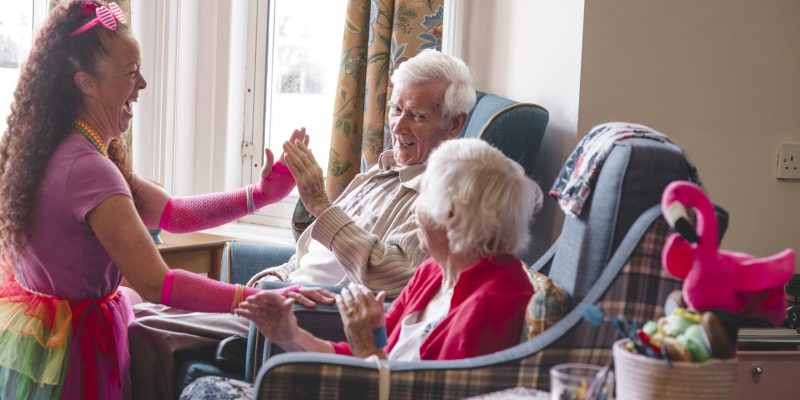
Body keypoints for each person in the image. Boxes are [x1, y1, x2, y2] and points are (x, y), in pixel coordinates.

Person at [0, 2, 332, 399]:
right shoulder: (88, 169)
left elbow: (172, 214)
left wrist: (259, 196)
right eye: (130, 73)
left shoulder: (54, 148)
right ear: (85, 82)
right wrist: (258, 297)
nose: (142, 84)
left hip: (42, 331)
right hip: (77, 347)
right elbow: (157, 283)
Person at [128, 48, 476, 398]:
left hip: (305, 313)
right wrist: (273, 277)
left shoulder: (441, 196)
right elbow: (308, 255)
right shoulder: (378, 174)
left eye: (416, 115)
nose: (398, 126)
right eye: (396, 109)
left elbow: (396, 276)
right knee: (135, 312)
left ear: (455, 123)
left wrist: (320, 205)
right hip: (279, 296)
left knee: (138, 327)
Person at [180, 137, 543, 399]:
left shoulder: (496, 301)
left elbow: (390, 373)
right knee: (206, 389)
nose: (416, 210)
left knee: (209, 392)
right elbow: (360, 359)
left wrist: (372, 352)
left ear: (452, 216)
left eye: (424, 197)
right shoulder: (433, 273)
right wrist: (289, 334)